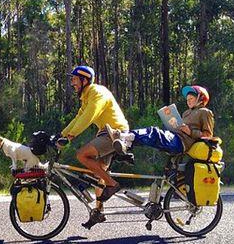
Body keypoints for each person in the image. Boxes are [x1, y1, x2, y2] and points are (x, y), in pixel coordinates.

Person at [58, 65, 130, 229]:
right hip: (105, 133)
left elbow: (90, 115)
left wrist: (71, 135)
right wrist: (62, 134)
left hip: (115, 133)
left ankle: (112, 184)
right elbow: (79, 117)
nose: (72, 83)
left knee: (82, 155)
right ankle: (98, 212)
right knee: (99, 177)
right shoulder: (86, 96)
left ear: (85, 80)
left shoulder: (97, 92)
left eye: (75, 79)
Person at [107, 85, 214, 156]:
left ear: (200, 99)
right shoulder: (186, 113)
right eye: (187, 100)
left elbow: (208, 135)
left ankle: (124, 137)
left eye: (191, 99)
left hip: (182, 143)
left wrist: (190, 132)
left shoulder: (205, 112)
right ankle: (126, 144)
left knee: (153, 132)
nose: (188, 101)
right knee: (150, 138)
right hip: (175, 137)